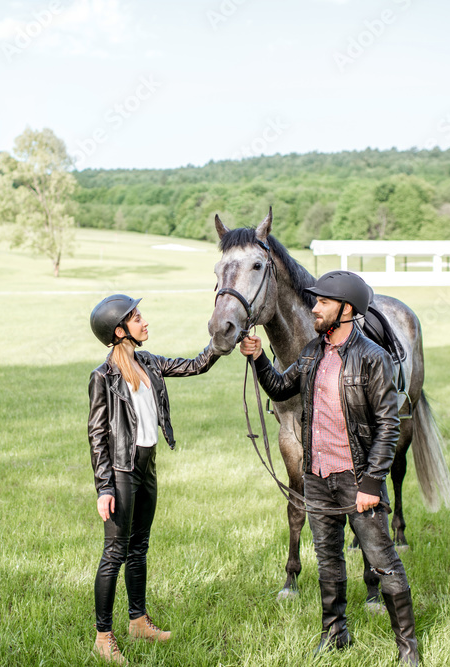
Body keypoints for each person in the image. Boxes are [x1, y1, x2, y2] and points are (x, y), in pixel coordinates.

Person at [239, 270, 420, 665]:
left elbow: (389, 426)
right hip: (317, 477)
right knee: (328, 560)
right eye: (315, 301)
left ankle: (407, 648)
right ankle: (335, 634)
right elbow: (281, 388)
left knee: (383, 561)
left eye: (322, 302)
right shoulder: (312, 352)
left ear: (346, 309)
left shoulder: (373, 358)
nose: (314, 308)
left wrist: (372, 483)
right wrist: (258, 360)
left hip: (358, 480)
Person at [88, 294, 220, 664]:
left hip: (147, 466)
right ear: (119, 330)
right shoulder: (103, 377)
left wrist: (221, 343)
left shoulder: (148, 361)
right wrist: (104, 487)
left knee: (139, 547)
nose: (145, 322)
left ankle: (138, 621)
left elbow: (195, 365)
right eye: (137, 318)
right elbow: (97, 435)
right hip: (121, 471)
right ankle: (103, 636)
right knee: (114, 553)